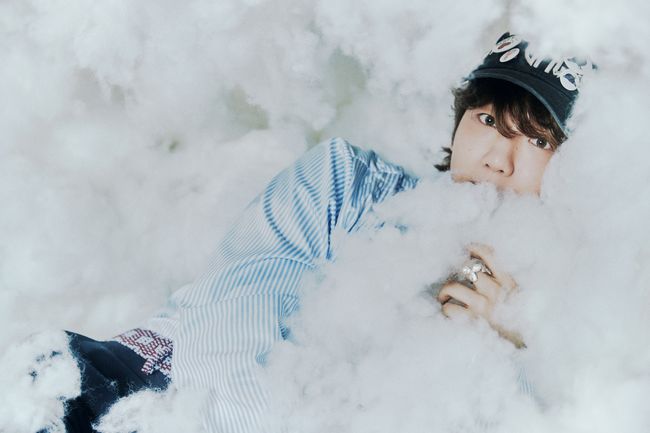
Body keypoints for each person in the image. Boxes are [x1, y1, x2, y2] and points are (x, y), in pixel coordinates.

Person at [57, 32, 591, 432]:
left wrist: (506, 344)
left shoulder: (568, 305)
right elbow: (235, 326)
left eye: (538, 141)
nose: (498, 158)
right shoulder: (345, 183)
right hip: (144, 388)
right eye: (488, 120)